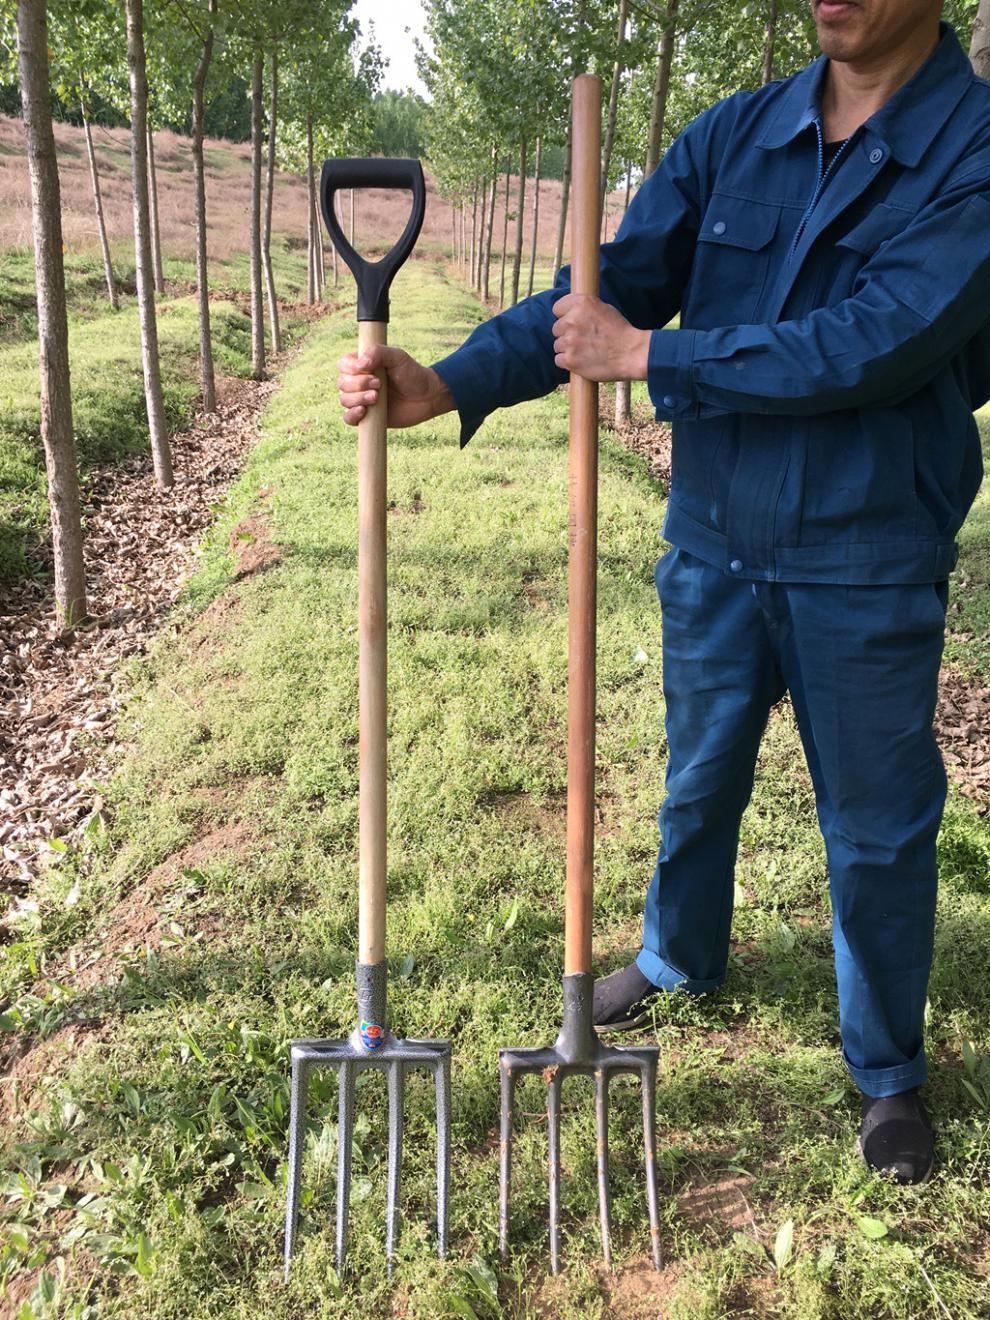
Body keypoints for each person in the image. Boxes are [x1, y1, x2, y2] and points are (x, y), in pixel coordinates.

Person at [337, 0, 990, 1184]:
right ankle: (681, 954)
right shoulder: (736, 134)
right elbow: (609, 287)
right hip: (716, 538)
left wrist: (654, 356)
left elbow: (880, 338)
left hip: (868, 550)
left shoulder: (975, 148)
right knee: (698, 776)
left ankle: (887, 1070)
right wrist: (452, 379)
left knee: (880, 827)